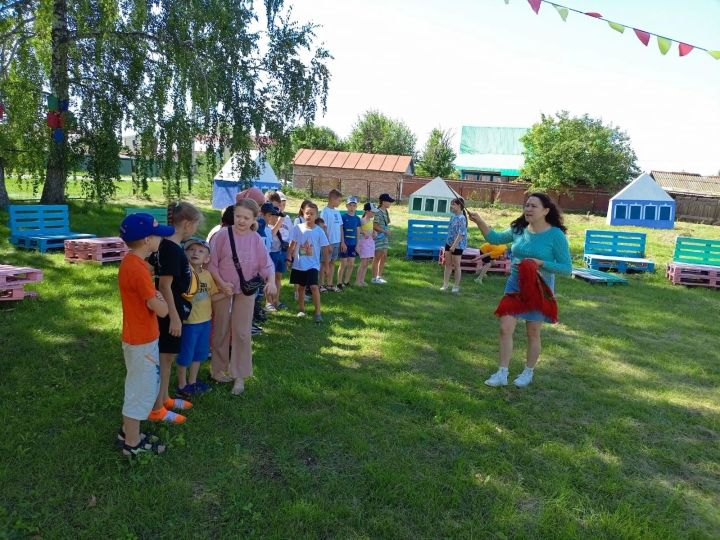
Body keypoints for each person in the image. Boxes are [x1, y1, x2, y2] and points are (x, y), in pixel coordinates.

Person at [468, 193, 572, 388]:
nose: (528, 209)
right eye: (526, 205)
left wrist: (541, 262)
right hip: (515, 284)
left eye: (533, 206)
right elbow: (494, 238)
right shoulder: (519, 229)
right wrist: (480, 221)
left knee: (532, 332)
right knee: (504, 328)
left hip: (538, 287)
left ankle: (528, 372)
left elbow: (566, 268)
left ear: (546, 211)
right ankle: (502, 373)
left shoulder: (555, 235)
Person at [117, 213, 173, 456]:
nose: (162, 239)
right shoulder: (137, 269)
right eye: (159, 235)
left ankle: (128, 431)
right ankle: (132, 443)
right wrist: (164, 303)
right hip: (141, 340)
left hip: (139, 336)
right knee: (141, 391)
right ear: (148, 240)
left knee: (138, 386)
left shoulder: (132, 263)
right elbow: (160, 310)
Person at [208, 200, 276, 395]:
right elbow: (211, 264)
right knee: (220, 329)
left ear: (254, 219)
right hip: (223, 290)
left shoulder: (255, 239)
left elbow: (266, 265)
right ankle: (218, 370)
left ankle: (239, 376)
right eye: (238, 216)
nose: (241, 221)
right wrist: (221, 283)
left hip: (245, 292)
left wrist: (271, 281)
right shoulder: (221, 236)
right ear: (233, 215)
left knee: (242, 332)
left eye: (246, 218)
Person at [149, 202, 202, 423]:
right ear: (187, 225)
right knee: (163, 359)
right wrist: (173, 317)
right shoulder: (171, 249)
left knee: (169, 357)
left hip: (173, 311)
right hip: (169, 313)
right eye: (196, 225)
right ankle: (156, 409)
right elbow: (164, 285)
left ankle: (165, 398)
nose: (196, 229)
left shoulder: (170, 246)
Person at [176, 238, 225, 397]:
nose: (195, 253)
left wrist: (225, 294)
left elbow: (211, 296)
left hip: (205, 322)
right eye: (191, 250)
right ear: (184, 253)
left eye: (201, 251)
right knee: (186, 354)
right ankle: (182, 385)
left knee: (199, 353)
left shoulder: (208, 275)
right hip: (189, 323)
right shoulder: (183, 274)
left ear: (207, 258)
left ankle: (193, 381)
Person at [287, 202, 329, 323]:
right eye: (307, 213)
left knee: (314, 287)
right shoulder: (297, 228)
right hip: (299, 264)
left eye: (312, 214)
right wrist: (288, 257)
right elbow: (292, 243)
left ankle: (318, 312)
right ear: (303, 213)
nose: (309, 216)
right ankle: (301, 309)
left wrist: (326, 265)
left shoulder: (319, 231)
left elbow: (325, 248)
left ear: (316, 215)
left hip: (313, 264)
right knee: (301, 288)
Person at [260, 201, 285, 311]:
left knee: (273, 278)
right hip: (259, 261)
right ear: (262, 214)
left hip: (268, 259)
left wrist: (281, 218)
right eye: (269, 215)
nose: (271, 217)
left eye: (272, 215)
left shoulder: (268, 229)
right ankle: (268, 302)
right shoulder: (256, 229)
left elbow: (274, 231)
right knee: (263, 283)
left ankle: (274, 300)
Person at [441, 197, 469, 294]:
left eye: (453, 204)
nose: (451, 206)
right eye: (451, 204)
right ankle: (445, 284)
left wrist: (454, 245)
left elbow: (461, 234)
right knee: (447, 264)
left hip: (457, 245)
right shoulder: (453, 217)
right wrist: (449, 244)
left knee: (456, 265)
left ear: (459, 205)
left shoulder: (462, 218)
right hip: (449, 243)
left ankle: (456, 286)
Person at [320, 189, 344, 292]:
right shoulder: (324, 212)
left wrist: (342, 241)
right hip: (327, 243)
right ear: (332, 199)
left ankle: (329, 284)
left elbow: (340, 227)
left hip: (337, 242)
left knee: (333, 263)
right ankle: (320, 284)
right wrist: (327, 243)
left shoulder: (337, 212)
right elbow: (323, 228)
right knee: (324, 263)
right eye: (339, 200)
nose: (340, 202)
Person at [338, 196, 361, 289]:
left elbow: (358, 232)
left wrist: (357, 244)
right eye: (350, 205)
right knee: (343, 263)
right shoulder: (343, 217)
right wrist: (342, 242)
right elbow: (341, 230)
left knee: (351, 263)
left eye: (354, 205)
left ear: (356, 207)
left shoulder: (357, 219)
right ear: (347, 206)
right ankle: (339, 283)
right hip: (345, 243)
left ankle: (346, 281)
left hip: (353, 244)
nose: (352, 207)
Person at [372, 193, 394, 284]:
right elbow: (374, 226)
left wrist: (386, 230)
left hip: (384, 237)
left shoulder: (385, 211)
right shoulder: (377, 212)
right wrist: (385, 231)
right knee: (377, 257)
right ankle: (374, 278)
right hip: (379, 237)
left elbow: (386, 224)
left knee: (384, 256)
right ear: (383, 202)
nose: (390, 203)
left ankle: (379, 277)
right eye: (389, 201)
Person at [354, 203, 377, 287]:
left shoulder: (371, 221)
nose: (374, 214)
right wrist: (363, 232)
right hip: (363, 243)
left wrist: (374, 232)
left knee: (367, 263)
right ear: (367, 211)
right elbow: (358, 230)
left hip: (370, 243)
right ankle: (357, 281)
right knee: (363, 262)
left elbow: (371, 230)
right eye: (373, 212)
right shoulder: (362, 220)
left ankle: (362, 280)